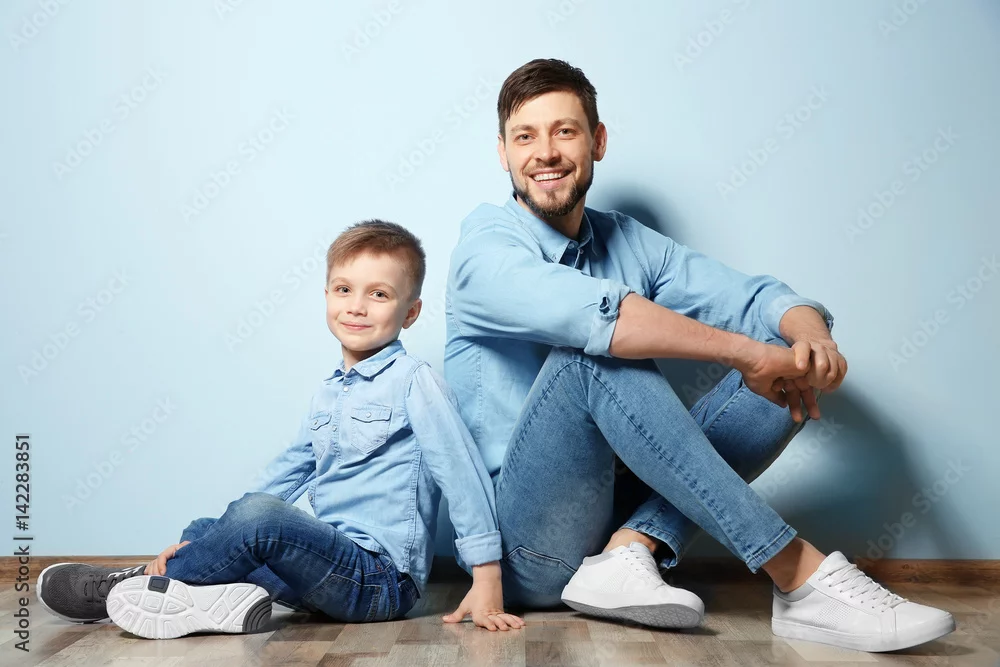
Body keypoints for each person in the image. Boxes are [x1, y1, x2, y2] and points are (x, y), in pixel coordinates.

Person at [442, 58, 954, 652]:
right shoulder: (483, 251)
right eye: (525, 137)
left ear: (598, 141)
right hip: (524, 551)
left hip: (615, 520)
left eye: (565, 131)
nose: (545, 153)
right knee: (589, 359)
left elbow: (757, 299)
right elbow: (604, 320)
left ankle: (629, 551)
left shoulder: (626, 239)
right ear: (503, 153)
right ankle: (798, 575)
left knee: (789, 350)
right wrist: (746, 356)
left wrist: (813, 338)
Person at [37, 220, 524, 638]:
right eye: (344, 289)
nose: (356, 306)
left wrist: (486, 576)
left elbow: (461, 472)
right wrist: (220, 536)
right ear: (327, 295)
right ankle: (212, 603)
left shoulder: (414, 381)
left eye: (379, 294)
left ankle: (131, 586)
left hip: (378, 582)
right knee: (205, 528)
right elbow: (285, 475)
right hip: (325, 574)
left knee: (258, 518)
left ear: (410, 313)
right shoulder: (329, 393)